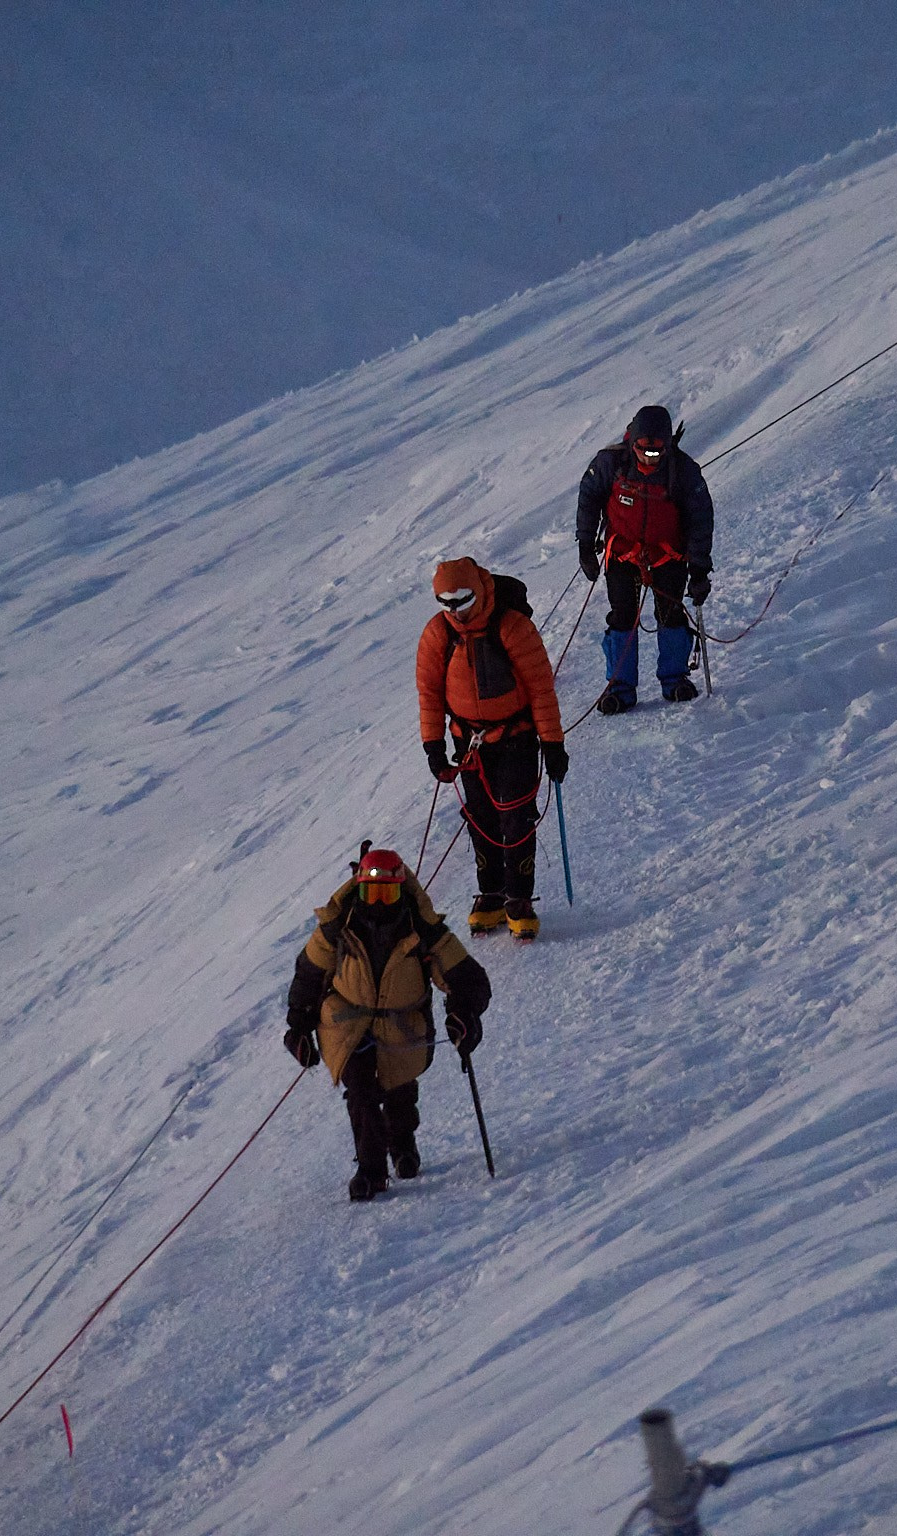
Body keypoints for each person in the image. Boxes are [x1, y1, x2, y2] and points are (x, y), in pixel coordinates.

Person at [282, 847, 491, 1202]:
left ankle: (403, 1145)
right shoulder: (338, 926)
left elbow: (469, 980)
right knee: (361, 1093)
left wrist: (464, 1014)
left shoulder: (422, 928)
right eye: (371, 893)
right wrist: (299, 1025)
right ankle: (371, 1170)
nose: (378, 904)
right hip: (347, 1025)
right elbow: (309, 973)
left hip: (402, 1024)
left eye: (387, 894)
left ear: (400, 892)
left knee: (399, 1090)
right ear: (359, 889)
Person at [415, 556, 568, 941]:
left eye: (462, 600)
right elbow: (429, 695)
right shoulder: (437, 635)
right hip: (466, 742)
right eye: (446, 603)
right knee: (480, 817)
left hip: (515, 736)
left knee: (515, 817)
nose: (456, 611)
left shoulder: (513, 626)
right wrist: (433, 746)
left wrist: (552, 744)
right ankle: (491, 893)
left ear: (480, 591)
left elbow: (541, 688)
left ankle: (519, 899)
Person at [575, 404, 715, 714]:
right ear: (632, 442)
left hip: (668, 556)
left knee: (670, 614)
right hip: (623, 553)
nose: (650, 457)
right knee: (622, 616)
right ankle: (620, 688)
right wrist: (586, 544)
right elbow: (589, 496)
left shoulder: (684, 471)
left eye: (657, 452)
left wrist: (700, 570)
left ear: (669, 443)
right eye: (643, 450)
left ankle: (675, 679)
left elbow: (700, 519)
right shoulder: (611, 463)